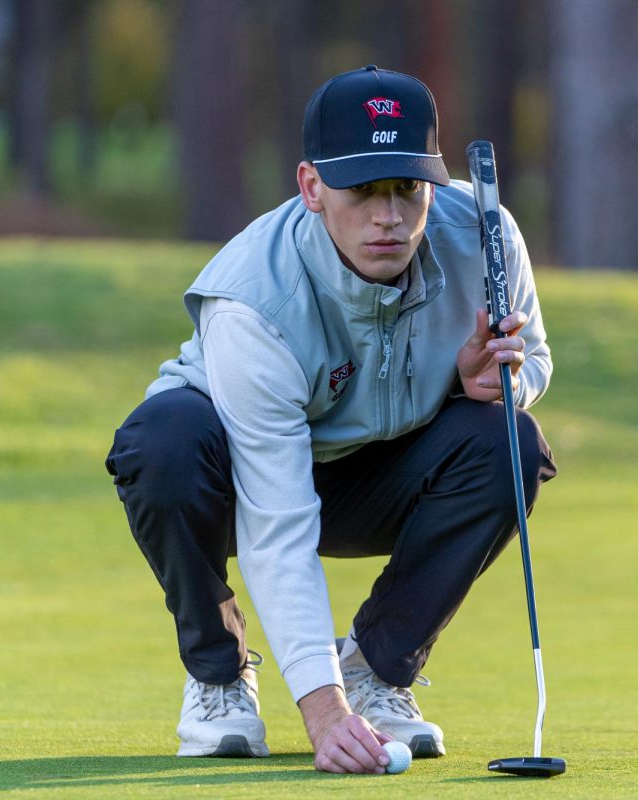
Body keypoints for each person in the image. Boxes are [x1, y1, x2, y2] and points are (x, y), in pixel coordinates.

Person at [106, 65, 556, 775]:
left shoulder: (486, 237)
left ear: (432, 183)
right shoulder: (254, 297)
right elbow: (277, 521)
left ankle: (376, 669)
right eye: (363, 190)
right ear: (312, 187)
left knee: (511, 442)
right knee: (160, 443)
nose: (390, 216)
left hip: (384, 473)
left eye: (407, 188)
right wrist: (321, 712)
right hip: (231, 476)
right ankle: (219, 676)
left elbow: (532, 360)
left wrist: (494, 386)